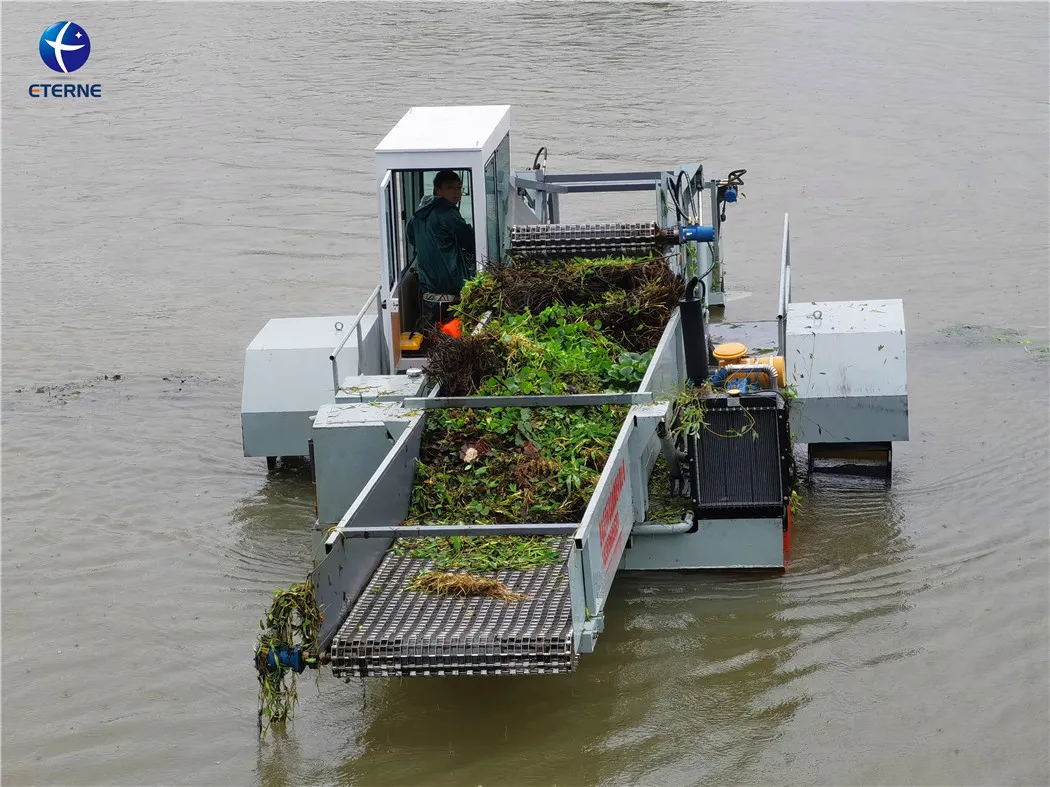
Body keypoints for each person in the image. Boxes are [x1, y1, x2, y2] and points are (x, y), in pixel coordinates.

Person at [406, 170, 477, 325]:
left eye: (459, 188)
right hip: (451, 285)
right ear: (438, 190)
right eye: (450, 187)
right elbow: (470, 241)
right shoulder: (447, 213)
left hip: (427, 287)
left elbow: (412, 238)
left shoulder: (417, 215)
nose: (456, 192)